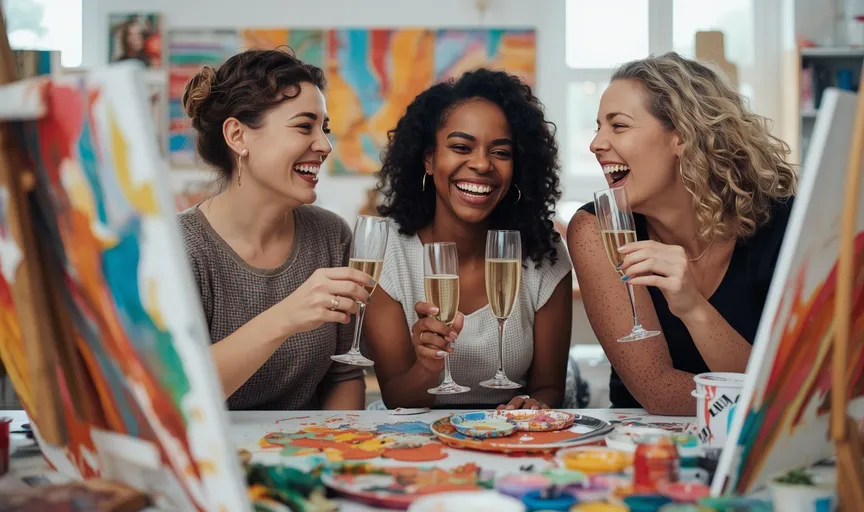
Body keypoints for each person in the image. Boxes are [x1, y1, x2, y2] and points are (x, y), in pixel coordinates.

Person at [568, 53, 797, 415]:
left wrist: (693, 308)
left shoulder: (784, 225)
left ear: (682, 138)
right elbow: (658, 390)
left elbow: (786, 391)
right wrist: (767, 399)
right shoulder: (597, 229)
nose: (596, 143)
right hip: (641, 450)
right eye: (598, 127)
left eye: (619, 126)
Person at [364, 69, 574, 411]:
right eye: (461, 147)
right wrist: (428, 366)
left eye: (501, 152)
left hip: (509, 439)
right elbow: (396, 398)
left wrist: (531, 406)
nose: (481, 164)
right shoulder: (388, 253)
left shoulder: (543, 253)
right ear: (429, 159)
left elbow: (549, 388)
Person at [178, 49, 373, 410]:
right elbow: (178, 395)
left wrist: (333, 455)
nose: (325, 145)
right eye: (304, 126)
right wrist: (286, 317)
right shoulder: (179, 248)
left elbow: (344, 374)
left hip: (308, 456)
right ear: (238, 136)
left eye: (324, 129)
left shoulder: (332, 235)